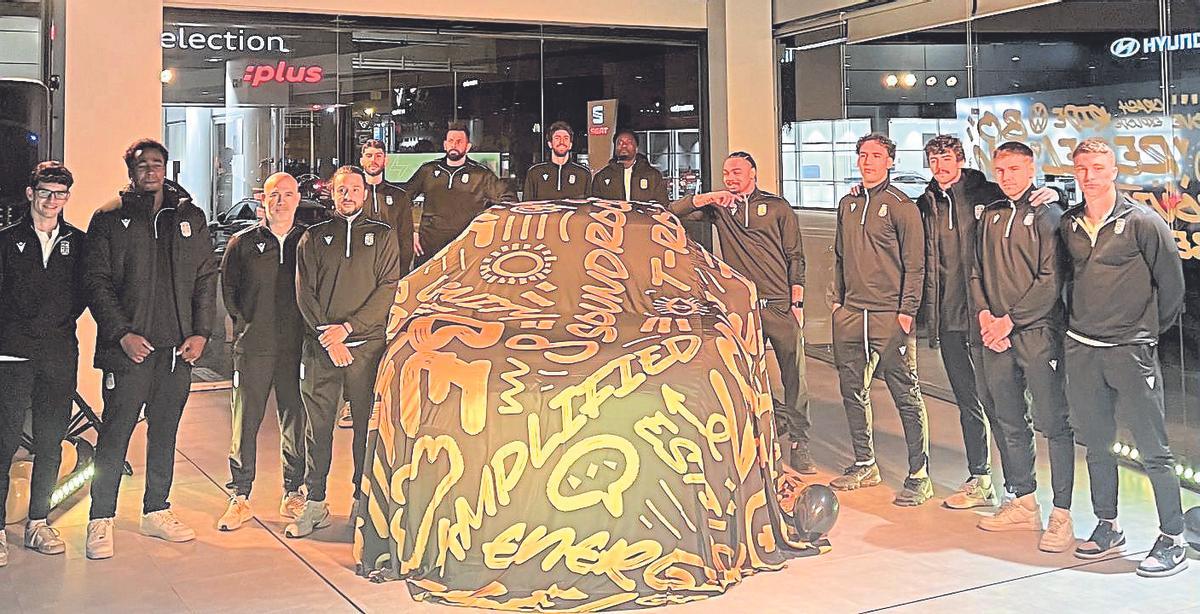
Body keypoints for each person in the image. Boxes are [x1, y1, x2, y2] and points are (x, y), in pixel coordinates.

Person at [84, 139, 218, 559]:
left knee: (165, 433)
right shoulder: (109, 217)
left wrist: (201, 333)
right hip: (129, 351)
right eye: (142, 165)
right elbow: (96, 283)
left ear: (166, 167)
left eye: (157, 164)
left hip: (176, 352)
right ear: (131, 171)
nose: (151, 171)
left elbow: (204, 278)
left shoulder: (190, 216)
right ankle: (100, 517)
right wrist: (122, 333)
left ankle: (156, 509)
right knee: (115, 432)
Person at [1060, 138, 1187, 577]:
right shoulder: (1070, 223)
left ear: (1113, 171)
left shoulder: (1143, 222)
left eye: (1097, 167)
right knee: (1097, 446)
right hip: (1083, 350)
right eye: (1081, 168)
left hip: (1130, 352)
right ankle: (1107, 527)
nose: (1089, 176)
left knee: (1155, 450)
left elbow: (1171, 290)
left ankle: (1173, 537)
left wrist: (1142, 335)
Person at [913, 135, 1058, 510]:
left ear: (960, 160)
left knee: (1004, 405)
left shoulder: (987, 194)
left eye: (946, 158)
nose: (940, 165)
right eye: (933, 159)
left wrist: (1055, 193)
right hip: (950, 318)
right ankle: (980, 477)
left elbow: (1031, 203)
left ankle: (1019, 489)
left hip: (989, 318)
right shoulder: (925, 203)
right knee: (968, 402)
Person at [670, 151, 813, 474]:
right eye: (726, 172)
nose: (731, 178)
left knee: (794, 375)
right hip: (742, 308)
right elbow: (673, 212)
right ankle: (770, 423)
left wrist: (797, 301)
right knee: (744, 372)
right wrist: (708, 196)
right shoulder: (719, 210)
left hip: (779, 305)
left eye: (737, 172)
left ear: (753, 173)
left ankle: (800, 442)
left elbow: (795, 255)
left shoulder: (777, 207)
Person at [968, 142, 1075, 552]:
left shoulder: (1050, 215)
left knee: (1053, 422)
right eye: (1000, 168)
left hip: (1037, 335)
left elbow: (1050, 279)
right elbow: (975, 270)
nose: (1007, 175)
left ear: (1031, 168)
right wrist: (985, 318)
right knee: (1009, 419)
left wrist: (1009, 320)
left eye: (1014, 168)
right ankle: (1024, 502)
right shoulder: (992, 215)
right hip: (995, 335)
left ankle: (1061, 514)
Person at [288, 166, 400, 538]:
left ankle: (361, 501)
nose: (348, 195)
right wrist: (329, 337)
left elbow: (387, 289)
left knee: (364, 431)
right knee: (317, 430)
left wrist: (349, 330)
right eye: (341, 190)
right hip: (322, 350)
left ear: (364, 194)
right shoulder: (314, 237)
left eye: (354, 188)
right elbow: (305, 294)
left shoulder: (383, 236)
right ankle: (315, 503)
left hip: (366, 351)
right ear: (331, 195)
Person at [829, 133, 931, 506]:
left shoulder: (902, 206)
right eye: (863, 155)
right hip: (853, 314)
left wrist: (907, 312)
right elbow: (839, 256)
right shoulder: (848, 203)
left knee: (906, 393)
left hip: (890, 315)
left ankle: (918, 474)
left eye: (876, 155)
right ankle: (864, 463)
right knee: (852, 390)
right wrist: (838, 303)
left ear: (891, 161)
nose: (868, 161)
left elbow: (916, 265)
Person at [0, 162, 86, 564]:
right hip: (11, 355)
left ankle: (38, 521)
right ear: (31, 194)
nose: (52, 201)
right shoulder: (6, 240)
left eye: (60, 194)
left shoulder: (78, 242)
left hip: (58, 353)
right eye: (46, 193)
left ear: (67, 198)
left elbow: (85, 293)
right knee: (5, 441)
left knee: (51, 440)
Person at [217, 172, 308, 531]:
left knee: (295, 421)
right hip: (253, 348)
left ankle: (293, 491)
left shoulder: (310, 242)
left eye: (288, 194)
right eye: (274, 195)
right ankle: (240, 495)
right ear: (263, 201)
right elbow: (230, 292)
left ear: (297, 199)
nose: (281, 201)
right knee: (245, 422)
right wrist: (246, 327)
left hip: (297, 348)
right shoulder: (241, 243)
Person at [404, 123, 514, 268]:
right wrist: (410, 233)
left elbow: (509, 200)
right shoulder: (428, 170)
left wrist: (487, 229)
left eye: (459, 141)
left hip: (467, 248)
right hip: (429, 246)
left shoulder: (481, 175)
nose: (454, 145)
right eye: (451, 141)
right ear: (445, 145)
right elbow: (403, 199)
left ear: (468, 146)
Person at [360, 139, 415, 275]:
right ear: (361, 161)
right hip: (360, 268)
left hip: (391, 267)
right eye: (369, 156)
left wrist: (403, 271)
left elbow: (406, 237)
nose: (374, 160)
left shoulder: (399, 196)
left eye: (378, 156)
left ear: (385, 160)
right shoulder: (353, 195)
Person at [590, 128, 670, 204]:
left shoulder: (653, 175)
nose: (624, 146)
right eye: (620, 143)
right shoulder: (601, 177)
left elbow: (662, 205)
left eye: (629, 142)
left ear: (636, 148)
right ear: (615, 148)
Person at [523, 121, 591, 200]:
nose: (562, 142)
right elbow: (527, 206)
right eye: (557, 138)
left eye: (566, 138)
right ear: (550, 144)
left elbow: (588, 207)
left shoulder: (583, 174)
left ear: (570, 145)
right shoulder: (535, 173)